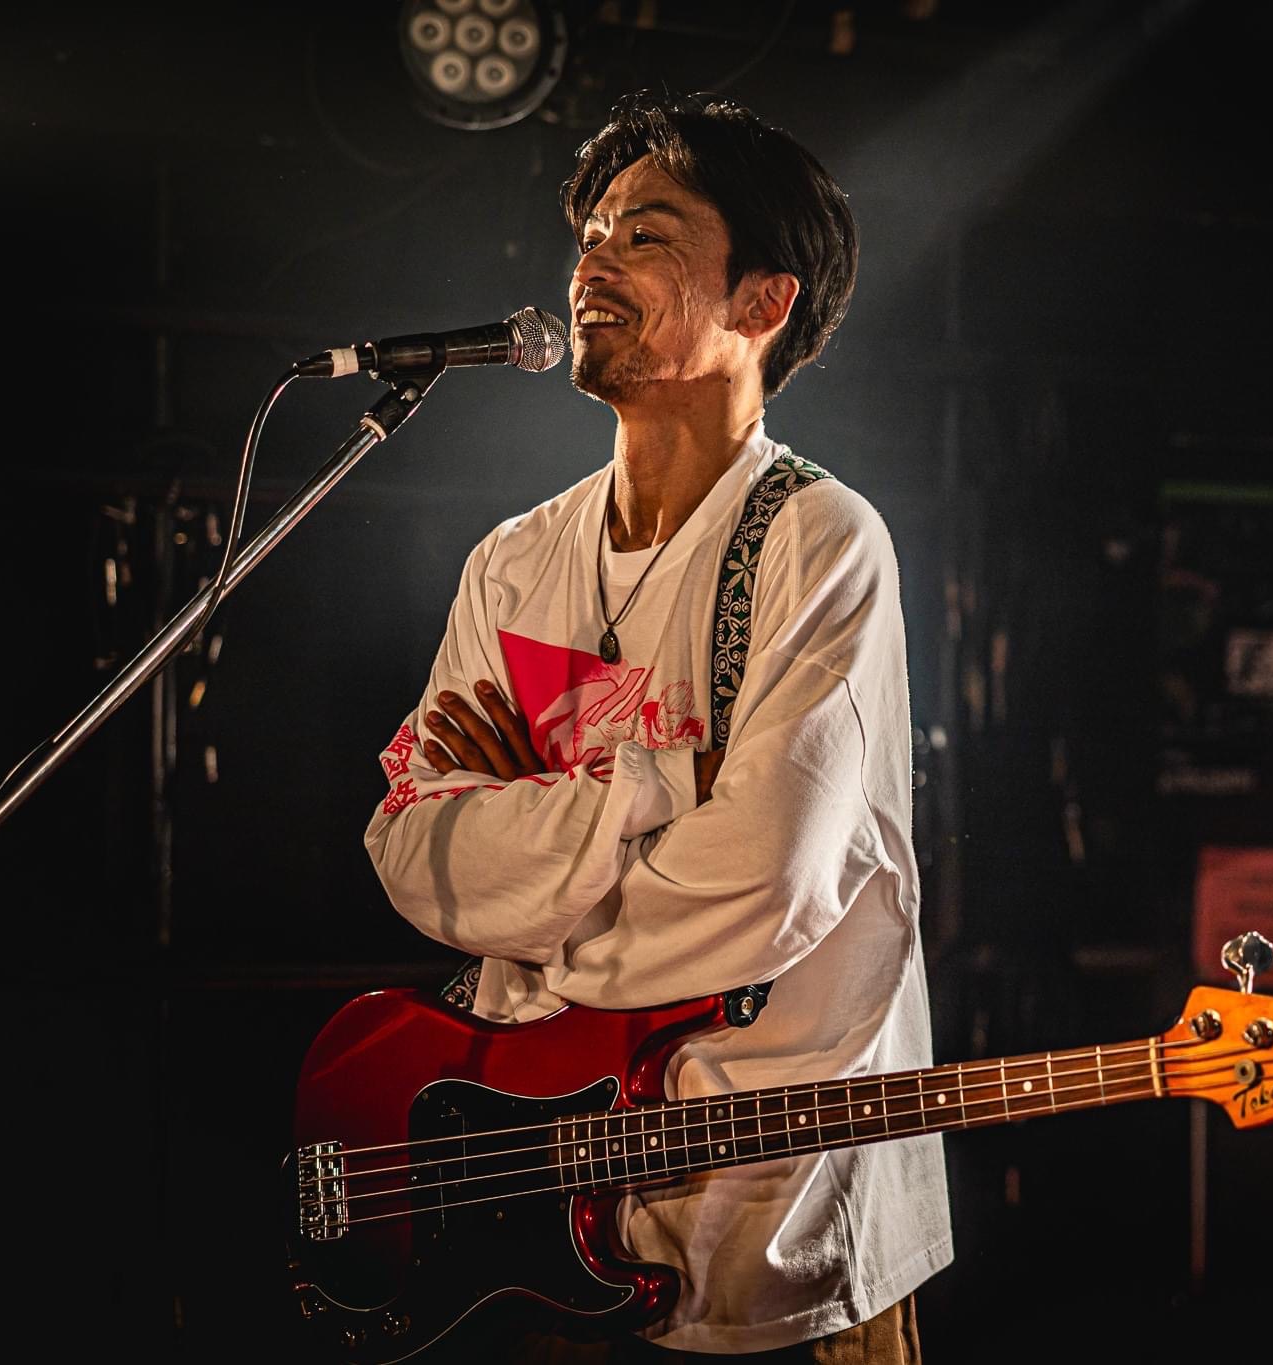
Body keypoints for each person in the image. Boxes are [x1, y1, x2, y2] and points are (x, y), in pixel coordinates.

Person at [362, 93, 951, 1360]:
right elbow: (412, 855)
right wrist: (657, 794)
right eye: (589, 235)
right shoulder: (514, 562)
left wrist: (535, 886)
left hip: (773, 1225)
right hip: (538, 1200)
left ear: (762, 302)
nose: (590, 265)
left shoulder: (817, 540)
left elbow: (764, 885)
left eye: (645, 236)